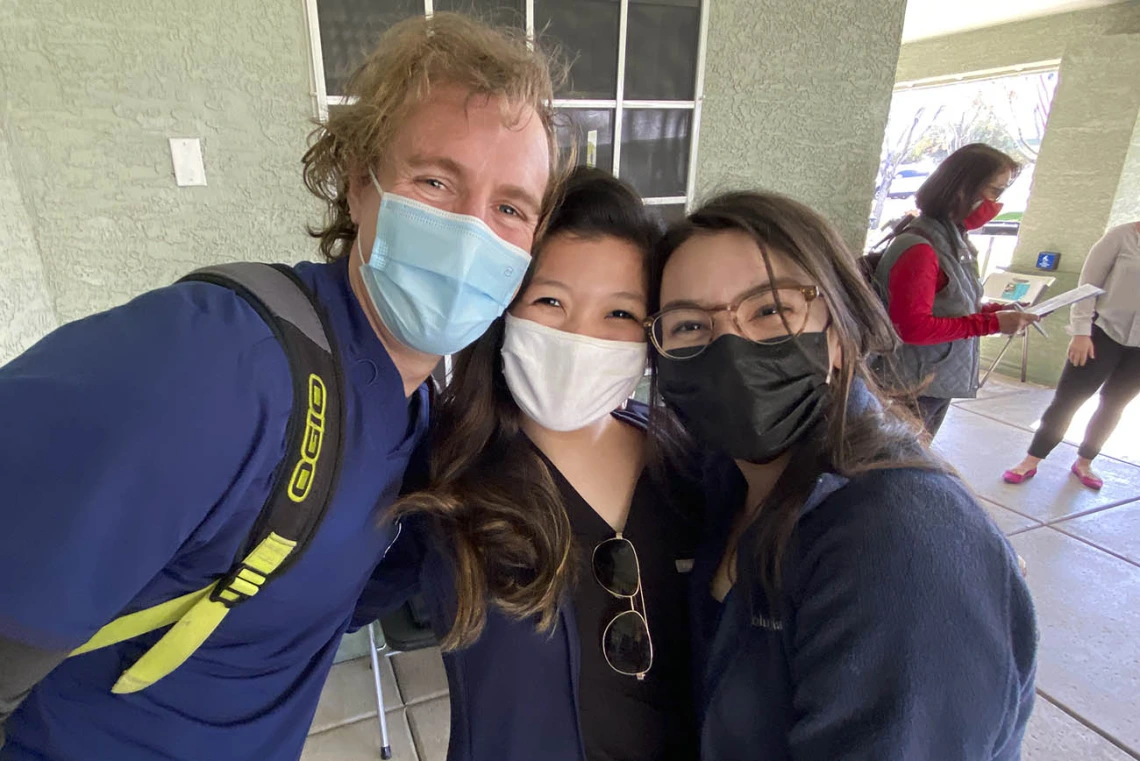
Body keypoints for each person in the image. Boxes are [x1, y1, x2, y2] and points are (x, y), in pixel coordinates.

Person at [0, 14, 559, 761]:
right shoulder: (217, 362)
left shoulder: (420, 417)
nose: (471, 234)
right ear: (360, 184)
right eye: (436, 180)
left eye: (510, 209)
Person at [646, 191, 1037, 760]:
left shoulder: (899, 543)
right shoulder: (727, 482)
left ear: (835, 330)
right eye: (689, 326)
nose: (732, 348)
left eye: (771, 310)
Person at [391, 166, 701, 761]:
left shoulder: (686, 464)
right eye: (551, 301)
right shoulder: (442, 474)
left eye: (619, 314)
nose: (580, 336)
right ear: (505, 311)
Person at [873, 143, 1040, 436]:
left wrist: (998, 313)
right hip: (912, 384)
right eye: (994, 191)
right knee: (897, 463)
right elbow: (912, 327)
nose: (997, 203)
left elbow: (952, 305)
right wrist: (991, 323)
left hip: (933, 378)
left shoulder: (951, 242)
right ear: (963, 189)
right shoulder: (921, 248)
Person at [1003, 221, 1140, 489]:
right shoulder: (1120, 237)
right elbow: (1088, 285)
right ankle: (1030, 460)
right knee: (1068, 400)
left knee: (1114, 405)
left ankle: (1085, 461)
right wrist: (1081, 332)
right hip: (1100, 333)